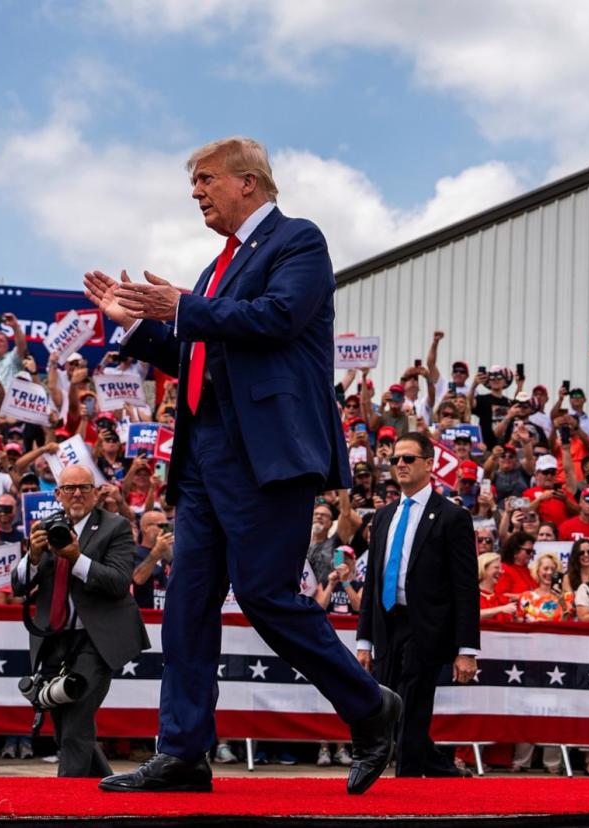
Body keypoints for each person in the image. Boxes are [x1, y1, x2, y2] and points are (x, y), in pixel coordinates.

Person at [87, 136, 399, 795]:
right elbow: (198, 353)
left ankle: (371, 707)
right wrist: (135, 325)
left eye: (205, 180)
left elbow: (278, 318)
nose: (196, 192)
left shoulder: (298, 242)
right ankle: (183, 753)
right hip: (202, 458)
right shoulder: (211, 271)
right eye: (193, 183)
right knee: (188, 606)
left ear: (248, 183)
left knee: (264, 595)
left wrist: (184, 308)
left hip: (266, 457)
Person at [11, 465, 149, 778]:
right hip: (54, 639)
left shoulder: (116, 526)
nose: (76, 494)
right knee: (64, 726)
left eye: (84, 487)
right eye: (69, 488)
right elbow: (18, 586)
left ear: (96, 492)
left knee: (75, 720)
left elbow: (118, 581)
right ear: (57, 494)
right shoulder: (45, 527)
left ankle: (67, 804)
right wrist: (31, 557)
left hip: (95, 640)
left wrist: (76, 558)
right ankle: (105, 786)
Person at [355, 432, 479, 778]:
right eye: (395, 460)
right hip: (386, 624)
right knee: (389, 706)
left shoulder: (452, 517)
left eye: (408, 458)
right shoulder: (383, 517)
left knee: (411, 704)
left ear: (429, 463)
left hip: (426, 627)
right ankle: (438, 765)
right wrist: (364, 640)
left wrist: (466, 648)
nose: (400, 465)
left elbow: (465, 586)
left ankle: (407, 782)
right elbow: (373, 582)